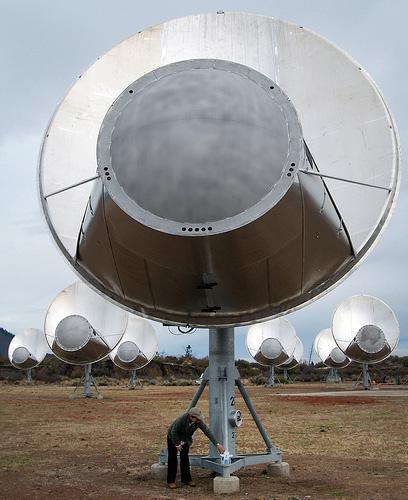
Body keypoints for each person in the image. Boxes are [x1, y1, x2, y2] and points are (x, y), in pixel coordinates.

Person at [167, 407, 225, 489]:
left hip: (185, 439)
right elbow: (173, 431)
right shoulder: (181, 419)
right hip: (173, 437)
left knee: (185, 458)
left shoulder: (198, 422)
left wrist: (217, 444)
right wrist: (177, 444)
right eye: (197, 418)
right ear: (191, 417)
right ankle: (171, 481)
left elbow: (207, 431)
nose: (198, 420)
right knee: (172, 458)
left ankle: (186, 479)